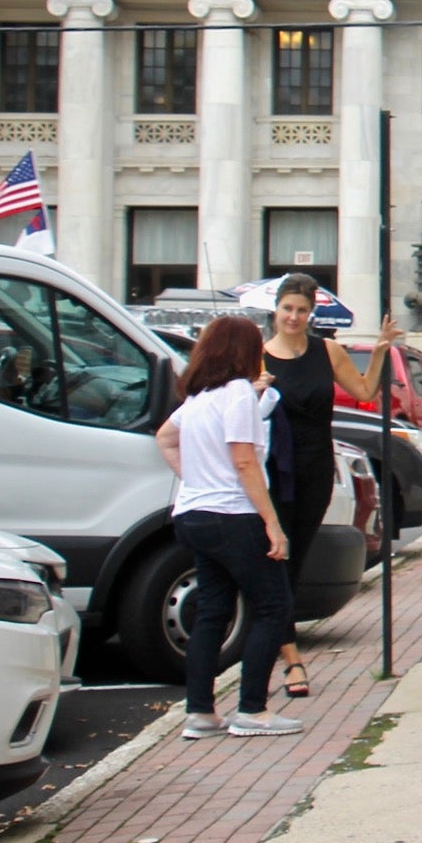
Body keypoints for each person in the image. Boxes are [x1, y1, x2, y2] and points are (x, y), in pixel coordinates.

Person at [155, 316, 306, 740]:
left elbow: (165, 438)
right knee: (274, 606)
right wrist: (272, 523)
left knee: (212, 612)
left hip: (193, 513)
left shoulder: (199, 398)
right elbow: (243, 460)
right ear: (246, 352)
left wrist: (196, 478)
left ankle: (200, 711)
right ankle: (252, 710)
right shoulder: (238, 393)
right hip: (234, 514)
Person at [261, 274, 400, 698]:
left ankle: (275, 648)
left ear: (311, 314)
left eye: (302, 310)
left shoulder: (328, 350)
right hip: (272, 470)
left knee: (295, 558)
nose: (294, 317)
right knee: (274, 558)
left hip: (317, 467)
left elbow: (363, 390)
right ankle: (290, 658)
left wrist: (379, 351)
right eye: (287, 309)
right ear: (276, 310)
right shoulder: (259, 356)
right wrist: (254, 388)